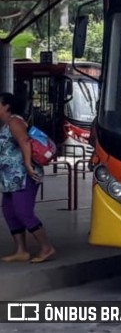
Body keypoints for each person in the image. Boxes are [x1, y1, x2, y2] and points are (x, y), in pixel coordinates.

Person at [0, 93, 55, 263]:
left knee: (23, 211)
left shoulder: (15, 121)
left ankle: (46, 247)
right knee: (9, 211)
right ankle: (21, 250)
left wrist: (28, 165)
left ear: (7, 106)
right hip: (10, 178)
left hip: (24, 175)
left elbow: (24, 142)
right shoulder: (6, 124)